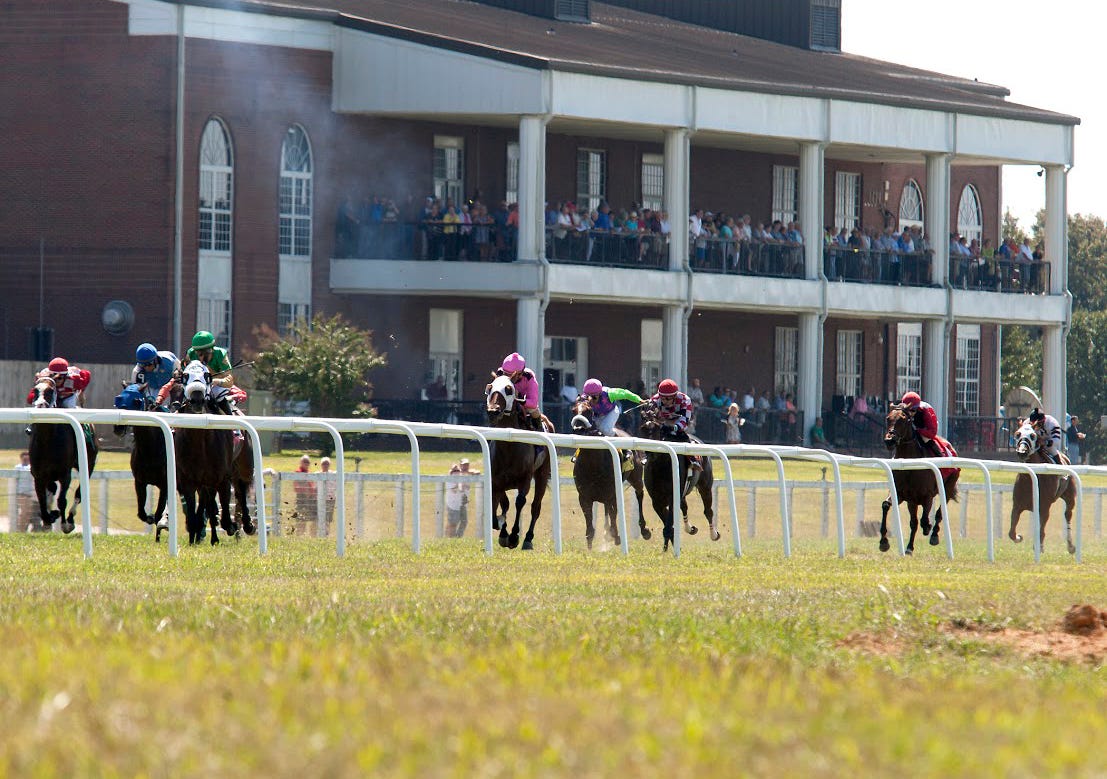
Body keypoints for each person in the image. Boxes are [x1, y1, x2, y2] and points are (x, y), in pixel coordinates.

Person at [648, 379, 702, 472]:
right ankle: (647, 455)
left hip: (678, 424)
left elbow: (685, 420)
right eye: (663, 398)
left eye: (668, 399)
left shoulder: (685, 400)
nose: (665, 401)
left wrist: (674, 427)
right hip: (662, 422)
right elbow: (650, 415)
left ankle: (693, 459)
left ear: (675, 396)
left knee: (682, 437)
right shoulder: (654, 400)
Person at [494, 352, 550, 432]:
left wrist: (518, 398)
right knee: (493, 410)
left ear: (521, 373)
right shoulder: (500, 373)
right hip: (506, 402)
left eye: (511, 375)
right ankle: (488, 436)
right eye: (506, 374)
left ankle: (540, 433)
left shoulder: (529, 377)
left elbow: (533, 402)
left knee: (534, 411)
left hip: (524, 403)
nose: (509, 378)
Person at [899, 391, 943, 458]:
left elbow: (932, 432)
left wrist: (919, 431)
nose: (910, 413)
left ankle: (939, 455)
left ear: (917, 408)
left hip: (927, 428)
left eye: (912, 410)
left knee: (926, 439)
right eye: (907, 410)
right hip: (915, 428)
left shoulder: (926, 411)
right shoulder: (902, 410)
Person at [13, 451, 41, 532]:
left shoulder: (33, 467)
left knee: (31, 514)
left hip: (33, 494)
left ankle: (26, 530)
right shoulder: (18, 467)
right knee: (24, 513)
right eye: (24, 459)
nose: (26, 460)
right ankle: (20, 530)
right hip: (23, 494)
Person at [292, 455, 318, 535]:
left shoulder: (309, 473)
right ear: (301, 463)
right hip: (302, 498)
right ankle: (300, 535)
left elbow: (312, 486)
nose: (307, 463)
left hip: (310, 499)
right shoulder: (298, 472)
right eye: (305, 461)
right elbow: (296, 487)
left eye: (308, 462)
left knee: (313, 518)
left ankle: (312, 535)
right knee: (301, 518)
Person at [319, 457, 337, 528]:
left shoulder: (334, 474)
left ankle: (326, 535)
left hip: (330, 500)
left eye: (327, 464)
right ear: (321, 465)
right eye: (324, 463)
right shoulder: (317, 474)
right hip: (319, 500)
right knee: (317, 519)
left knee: (327, 520)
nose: (325, 465)